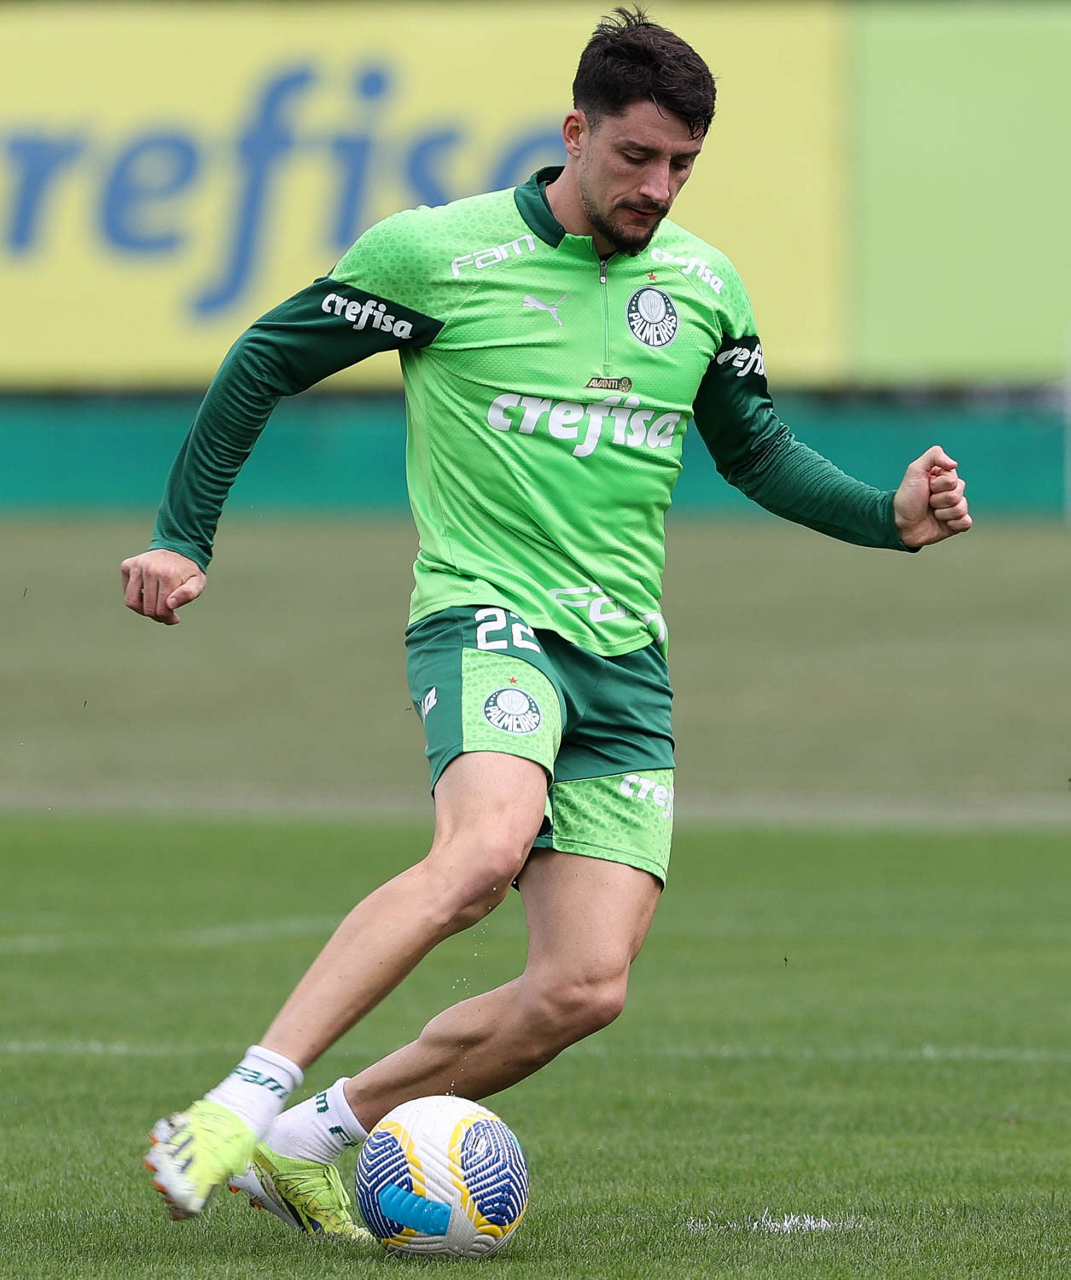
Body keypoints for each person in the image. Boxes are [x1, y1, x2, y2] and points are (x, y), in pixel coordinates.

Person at [126, 5, 971, 1238]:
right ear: (575, 133)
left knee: (583, 986)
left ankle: (309, 1138)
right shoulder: (437, 255)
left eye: (682, 164)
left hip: (625, 660)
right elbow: (263, 358)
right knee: (481, 852)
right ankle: (233, 1105)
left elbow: (754, 450)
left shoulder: (701, 285)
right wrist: (183, 535)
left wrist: (885, 517)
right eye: (636, 156)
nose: (658, 188)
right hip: (486, 616)